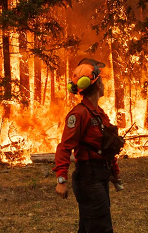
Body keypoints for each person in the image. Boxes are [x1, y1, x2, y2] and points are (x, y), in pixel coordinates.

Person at [54, 58, 122, 233]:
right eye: (101, 80)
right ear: (98, 84)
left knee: (88, 228)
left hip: (100, 176)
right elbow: (64, 147)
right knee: (101, 228)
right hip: (88, 178)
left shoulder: (100, 114)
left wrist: (114, 172)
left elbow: (106, 148)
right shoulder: (79, 114)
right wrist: (61, 179)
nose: (103, 83)